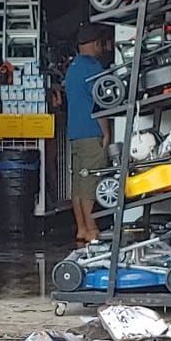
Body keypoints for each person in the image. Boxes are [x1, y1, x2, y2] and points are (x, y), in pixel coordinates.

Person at [65, 24, 112, 243]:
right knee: (92, 181)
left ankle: (81, 228)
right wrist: (106, 132)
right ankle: (92, 229)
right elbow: (98, 103)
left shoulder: (72, 68)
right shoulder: (93, 68)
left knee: (78, 182)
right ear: (95, 44)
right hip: (92, 131)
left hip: (75, 132)